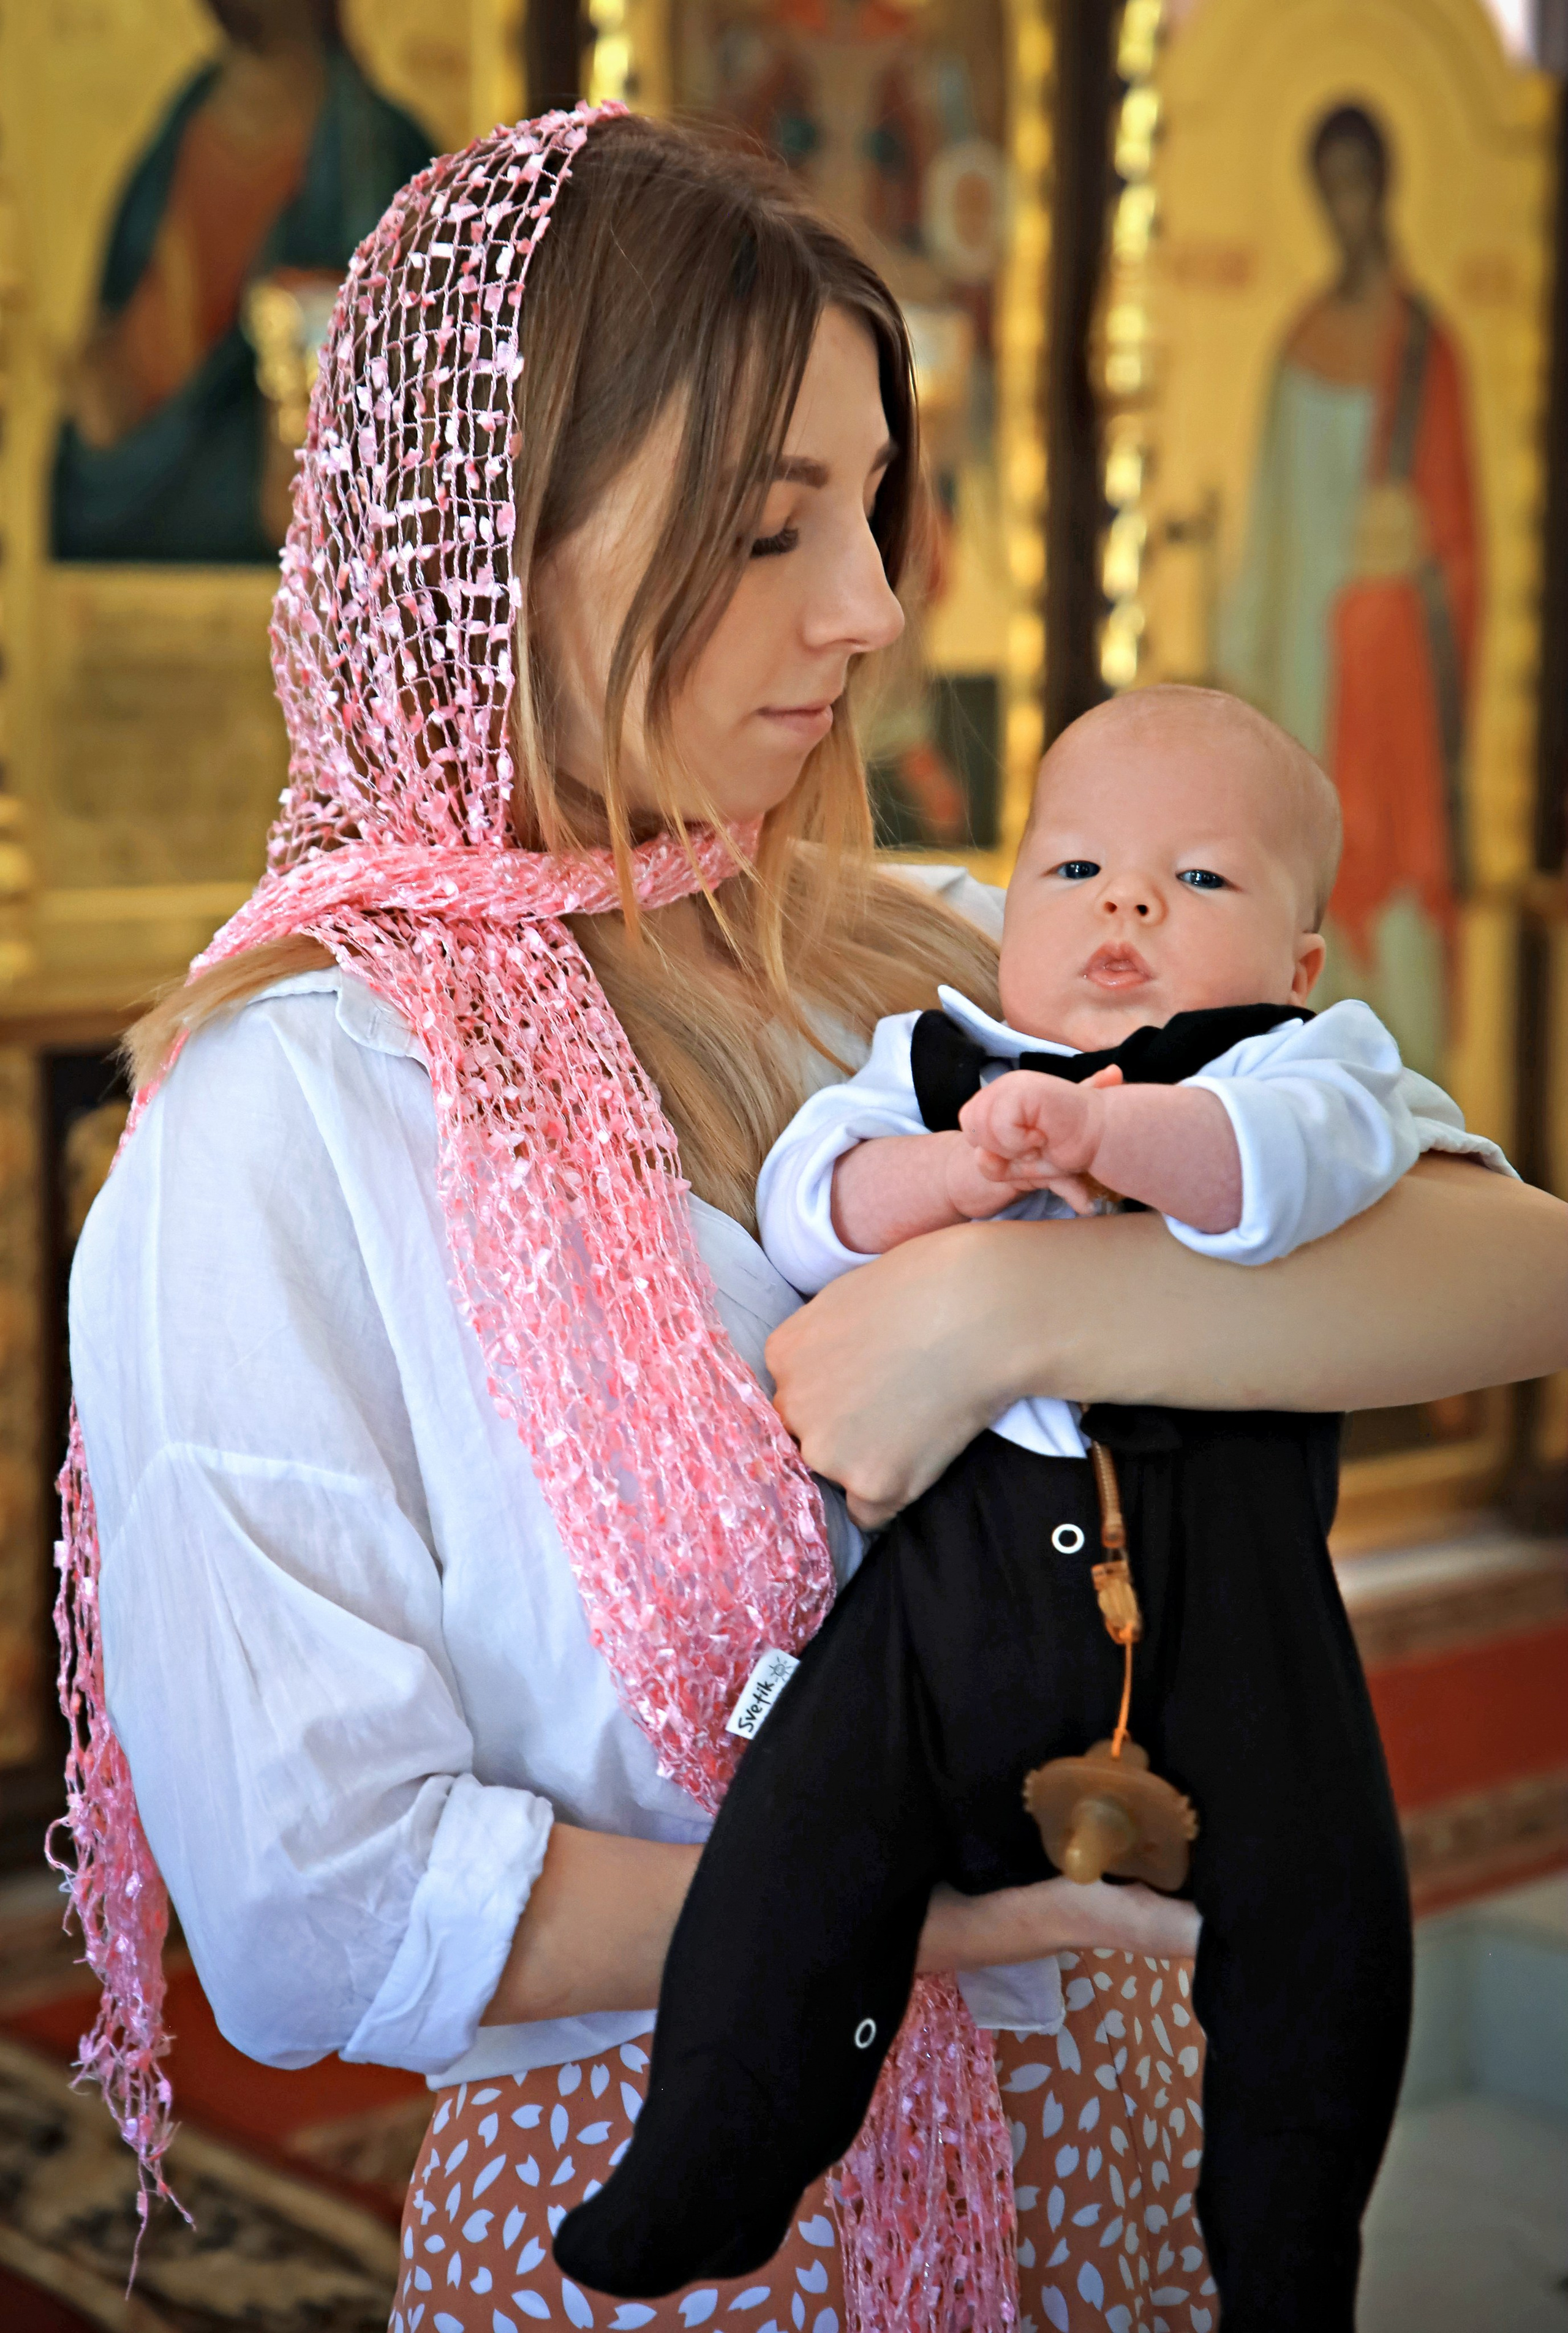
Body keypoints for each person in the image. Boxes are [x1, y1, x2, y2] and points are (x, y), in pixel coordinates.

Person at [56, 105, 1568, 2333]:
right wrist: (917, 1921)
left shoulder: (926, 950)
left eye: (871, 503)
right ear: (493, 537)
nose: (866, 607)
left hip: (1114, 2157)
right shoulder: (286, 1122)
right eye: (769, 528)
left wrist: (983, 1312)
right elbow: (316, 1911)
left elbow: (1508, 1253)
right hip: (675, 2222)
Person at [557, 686, 1510, 2329]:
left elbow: (1294, 1174)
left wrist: (1115, 1133)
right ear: (1011, 913)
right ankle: (715, 2152)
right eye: (1075, 869)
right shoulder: (932, 1058)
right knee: (798, 1847)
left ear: (1299, 962)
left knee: (1327, 1927)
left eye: (1200, 881)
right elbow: (807, 1207)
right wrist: (952, 1175)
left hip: (1237, 1625)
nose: (1129, 904)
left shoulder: (1306, 1069)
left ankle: (1294, 2263)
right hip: (947, 1611)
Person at [1218, 101, 1477, 1081]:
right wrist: (1242, 667)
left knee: (1396, 928)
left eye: (1358, 183)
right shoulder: (1297, 346)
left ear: (1387, 188)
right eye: (1329, 189)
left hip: (1392, 680)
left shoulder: (1427, 355)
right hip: (1300, 669)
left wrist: (1413, 572)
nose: (1345, 208)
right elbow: (1272, 529)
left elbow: (1462, 546)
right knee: (1302, 902)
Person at [52, 0, 431, 562]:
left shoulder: (379, 150)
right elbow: (122, 308)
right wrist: (105, 384)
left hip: (283, 469)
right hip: (144, 469)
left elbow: (415, 370)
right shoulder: (180, 127)